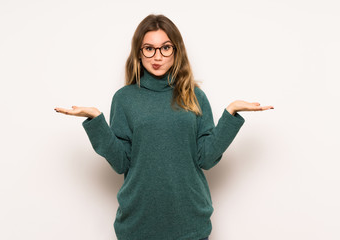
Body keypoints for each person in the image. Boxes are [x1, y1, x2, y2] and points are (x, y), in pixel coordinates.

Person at [54, 14, 273, 240]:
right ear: (139, 53)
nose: (157, 56)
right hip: (138, 225)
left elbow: (206, 158)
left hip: (190, 224)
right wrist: (96, 121)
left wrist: (231, 114)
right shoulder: (124, 99)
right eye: (149, 48)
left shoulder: (195, 96)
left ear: (176, 50)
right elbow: (121, 163)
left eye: (165, 48)